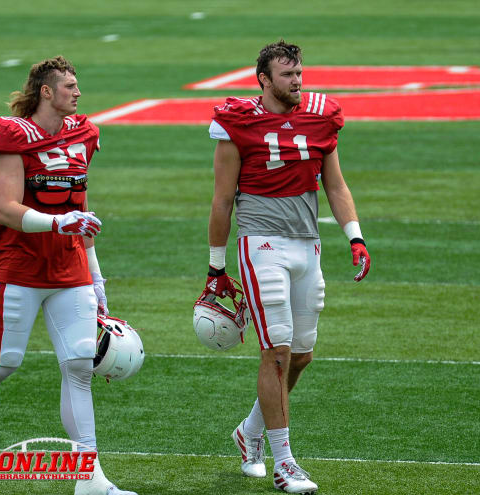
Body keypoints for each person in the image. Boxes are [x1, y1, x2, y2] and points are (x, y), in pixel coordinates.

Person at [0, 56, 136, 495]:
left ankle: (88, 477)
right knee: (1, 365)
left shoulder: (83, 133)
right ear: (46, 92)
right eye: (69, 85)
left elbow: (81, 210)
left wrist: (97, 279)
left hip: (70, 267)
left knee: (77, 366)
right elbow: (6, 209)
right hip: (19, 266)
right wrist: (58, 223)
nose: (78, 92)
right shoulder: (12, 134)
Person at [205, 41, 371, 494]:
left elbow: (335, 185)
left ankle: (249, 432)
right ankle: (285, 463)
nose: (296, 81)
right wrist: (216, 266)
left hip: (307, 242)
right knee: (276, 350)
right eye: (286, 75)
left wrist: (354, 236)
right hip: (261, 242)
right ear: (263, 79)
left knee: (301, 355)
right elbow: (222, 198)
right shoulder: (237, 120)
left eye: (299, 73)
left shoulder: (321, 115)